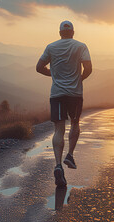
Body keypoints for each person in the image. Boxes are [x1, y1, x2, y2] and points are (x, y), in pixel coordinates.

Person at [36, 20, 92, 187]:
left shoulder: (51, 47)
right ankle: (70, 155)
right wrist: (79, 79)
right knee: (75, 123)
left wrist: (53, 75)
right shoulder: (81, 46)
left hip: (57, 94)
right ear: (73, 32)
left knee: (58, 128)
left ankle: (58, 165)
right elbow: (88, 68)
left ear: (60, 33)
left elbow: (39, 67)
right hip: (75, 94)